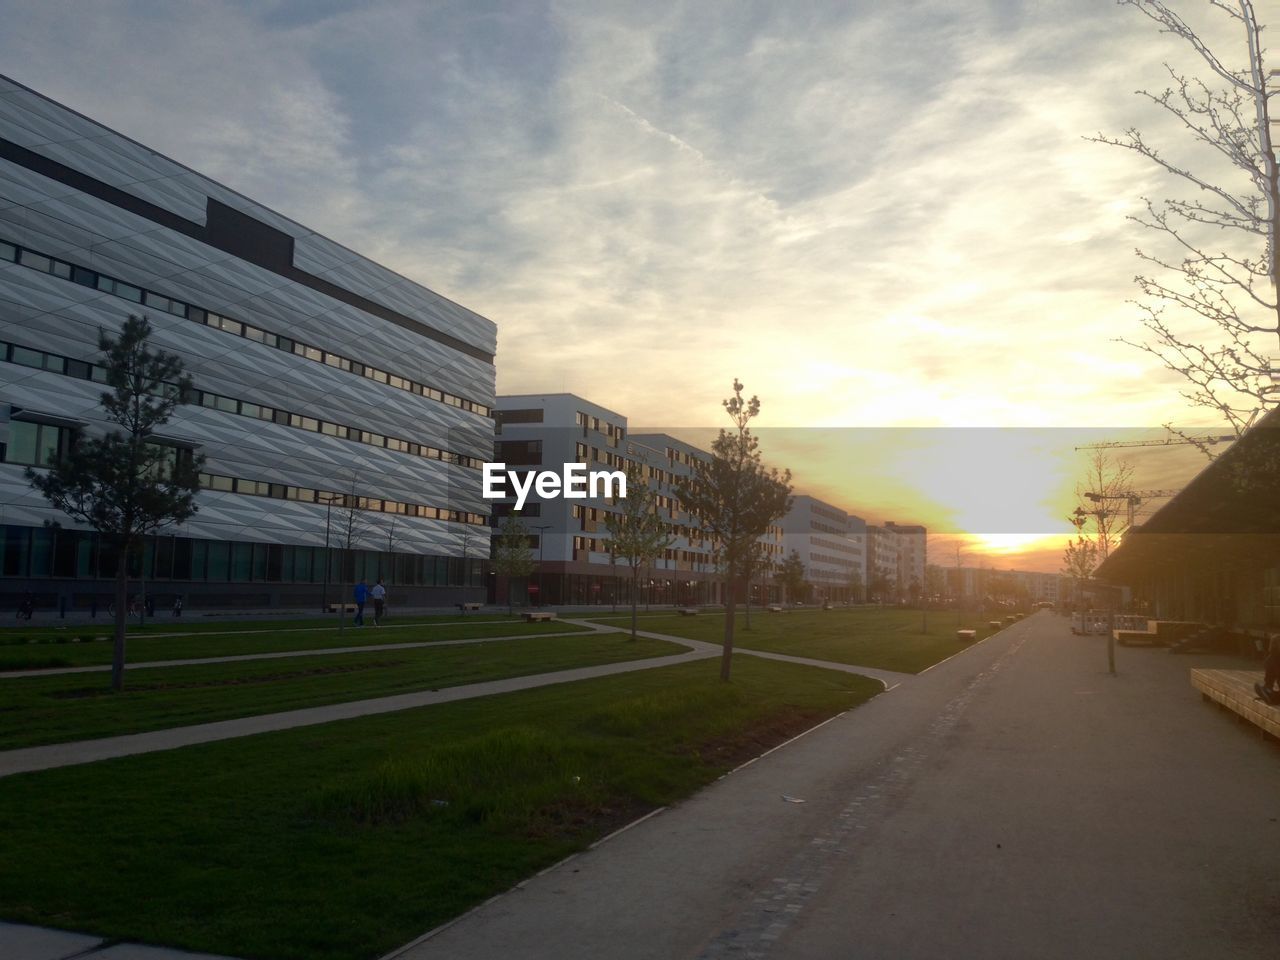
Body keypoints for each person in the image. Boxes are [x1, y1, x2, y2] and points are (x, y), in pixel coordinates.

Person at [1256, 634, 1280, 705]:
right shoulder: (1273, 660)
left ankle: (1270, 694)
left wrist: (1268, 687)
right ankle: (1271, 695)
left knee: (1269, 689)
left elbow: (1269, 681)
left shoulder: (1269, 660)